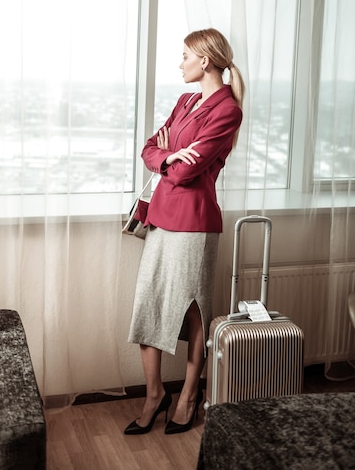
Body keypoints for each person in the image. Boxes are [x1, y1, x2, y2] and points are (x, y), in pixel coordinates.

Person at [124, 27, 245, 436]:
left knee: (193, 312)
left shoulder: (227, 109)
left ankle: (189, 397)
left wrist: (170, 157)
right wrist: (168, 155)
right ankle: (155, 395)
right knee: (149, 305)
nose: (180, 63)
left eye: (184, 56)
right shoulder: (185, 101)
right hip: (161, 218)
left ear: (204, 61)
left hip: (195, 222)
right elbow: (149, 148)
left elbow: (189, 170)